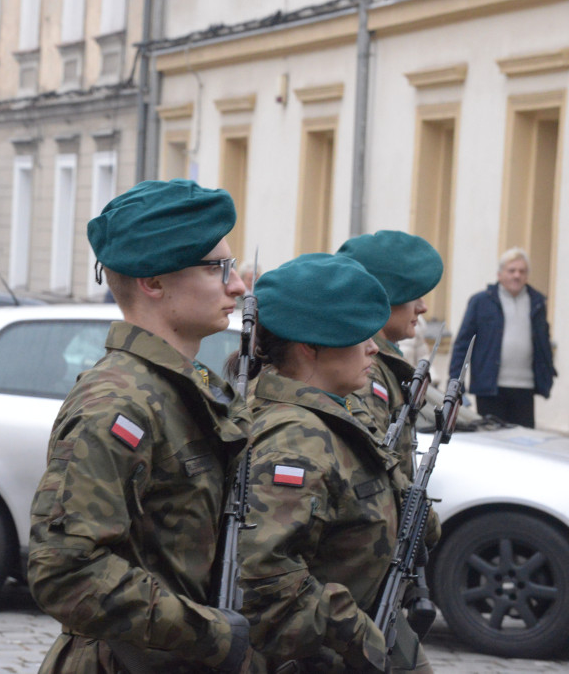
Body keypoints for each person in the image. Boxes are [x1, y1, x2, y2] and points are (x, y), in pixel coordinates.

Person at [28, 179, 253, 673]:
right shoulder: (117, 403)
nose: (237, 285)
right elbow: (65, 570)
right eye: (218, 268)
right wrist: (211, 633)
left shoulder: (190, 388)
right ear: (153, 281)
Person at [238, 253, 433, 673]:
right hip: (325, 654)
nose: (371, 347)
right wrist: (357, 633)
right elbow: (265, 577)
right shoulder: (294, 438)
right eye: (358, 334)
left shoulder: (330, 415)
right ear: (311, 346)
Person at [337, 230, 444, 477]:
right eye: (412, 295)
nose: (423, 307)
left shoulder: (382, 362)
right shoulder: (365, 367)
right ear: (384, 298)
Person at [448, 248, 556, 428]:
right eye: (511, 270)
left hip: (525, 387)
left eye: (522, 271)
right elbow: (463, 344)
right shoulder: (481, 302)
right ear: (499, 274)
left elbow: (543, 342)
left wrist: (547, 376)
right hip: (490, 387)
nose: (517, 276)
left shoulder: (536, 302)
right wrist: (456, 383)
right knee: (493, 440)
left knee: (523, 442)